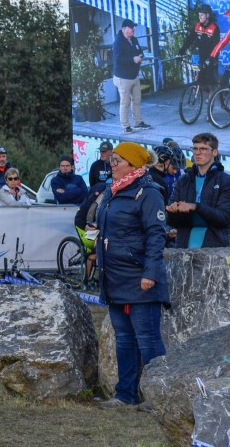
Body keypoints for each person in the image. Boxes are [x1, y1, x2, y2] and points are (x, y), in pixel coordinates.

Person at [95, 142, 169, 409]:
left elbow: (156, 234)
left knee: (148, 340)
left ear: (134, 164)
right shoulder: (111, 190)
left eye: (117, 161)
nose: (112, 165)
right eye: (111, 161)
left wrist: (150, 273)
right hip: (115, 278)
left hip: (140, 278)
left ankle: (158, 397)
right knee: (124, 339)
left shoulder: (148, 193)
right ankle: (125, 394)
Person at [166, 133, 230, 248]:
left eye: (203, 149)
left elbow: (224, 218)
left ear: (215, 152)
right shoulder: (183, 180)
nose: (198, 152)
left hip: (215, 249)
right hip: (184, 249)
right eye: (195, 148)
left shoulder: (227, 181)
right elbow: (170, 220)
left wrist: (195, 207)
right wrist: (173, 210)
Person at [113, 19, 151, 134]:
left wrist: (140, 56)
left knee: (137, 100)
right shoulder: (118, 42)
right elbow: (118, 59)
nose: (133, 30)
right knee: (125, 102)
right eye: (131, 28)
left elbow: (139, 51)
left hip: (134, 76)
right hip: (123, 77)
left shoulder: (134, 39)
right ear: (124, 29)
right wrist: (132, 60)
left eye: (133, 27)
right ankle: (125, 126)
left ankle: (138, 122)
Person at [178, 3, 220, 94]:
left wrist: (211, 59)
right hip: (201, 58)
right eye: (199, 15)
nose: (199, 17)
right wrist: (182, 50)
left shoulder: (214, 28)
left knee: (211, 83)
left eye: (202, 15)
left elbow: (216, 46)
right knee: (200, 82)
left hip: (211, 59)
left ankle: (212, 99)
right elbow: (189, 39)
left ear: (208, 15)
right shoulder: (197, 26)